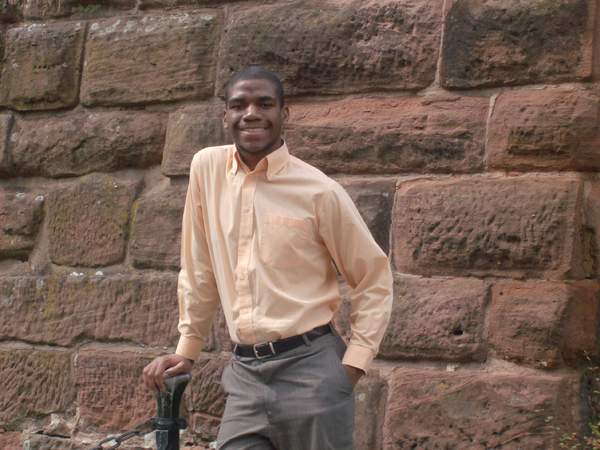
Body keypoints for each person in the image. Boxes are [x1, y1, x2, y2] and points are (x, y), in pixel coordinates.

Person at [143, 66, 393, 450]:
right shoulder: (207, 169)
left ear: (283, 113)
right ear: (225, 115)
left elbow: (372, 277)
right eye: (239, 105)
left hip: (312, 371)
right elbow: (199, 266)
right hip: (245, 375)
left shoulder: (320, 191)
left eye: (264, 103)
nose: (251, 113)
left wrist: (351, 367)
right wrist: (186, 350)